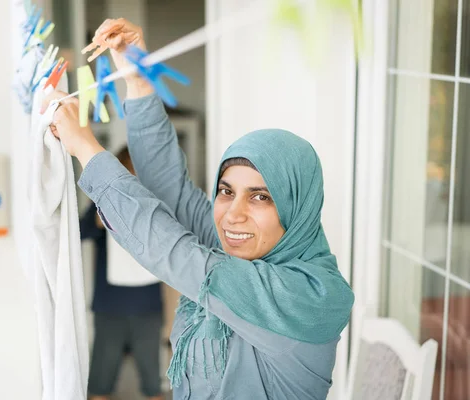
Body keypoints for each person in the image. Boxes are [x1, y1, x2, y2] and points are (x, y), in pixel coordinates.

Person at [43, 18, 354, 400]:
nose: (232, 214)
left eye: (260, 197)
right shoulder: (240, 251)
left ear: (298, 208)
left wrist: (85, 148)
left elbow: (178, 254)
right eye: (227, 191)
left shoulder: (312, 296)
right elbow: (170, 189)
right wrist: (137, 82)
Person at [79, 146, 164, 400]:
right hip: (110, 306)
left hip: (148, 304)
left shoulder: (158, 202)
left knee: (153, 383)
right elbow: (79, 232)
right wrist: (99, 216)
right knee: (101, 382)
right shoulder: (103, 202)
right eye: (129, 169)